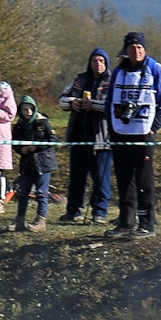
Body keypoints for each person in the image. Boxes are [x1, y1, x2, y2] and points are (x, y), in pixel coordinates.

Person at [104, 32, 161, 239]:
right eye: (132, 47)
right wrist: (111, 125)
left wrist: (155, 126)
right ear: (126, 50)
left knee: (144, 179)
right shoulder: (118, 72)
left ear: (145, 50)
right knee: (124, 178)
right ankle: (126, 221)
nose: (136, 51)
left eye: (140, 47)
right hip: (120, 132)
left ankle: (147, 223)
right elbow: (109, 102)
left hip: (144, 133)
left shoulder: (155, 70)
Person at [57, 48, 113, 223]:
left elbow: (112, 106)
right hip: (79, 137)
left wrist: (93, 105)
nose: (98, 64)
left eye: (101, 61)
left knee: (101, 179)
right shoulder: (80, 80)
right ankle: (74, 211)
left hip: (102, 139)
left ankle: (99, 212)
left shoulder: (112, 81)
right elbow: (61, 100)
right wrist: (73, 103)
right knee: (76, 178)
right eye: (95, 61)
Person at [10, 95, 58, 232]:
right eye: (25, 109)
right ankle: (19, 220)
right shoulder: (18, 126)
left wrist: (36, 147)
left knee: (41, 192)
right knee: (22, 191)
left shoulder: (43, 123)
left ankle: (41, 220)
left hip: (43, 162)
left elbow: (53, 140)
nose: (28, 112)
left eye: (31, 109)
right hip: (27, 163)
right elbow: (14, 143)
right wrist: (21, 149)